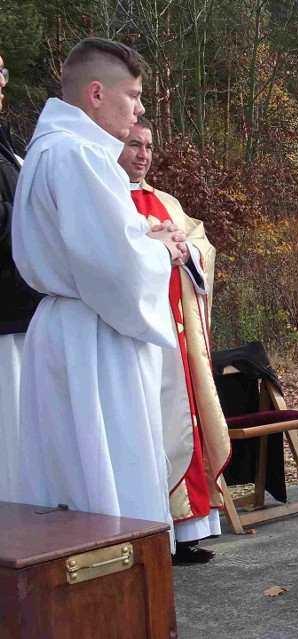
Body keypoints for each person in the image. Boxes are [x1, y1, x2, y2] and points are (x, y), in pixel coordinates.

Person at [12, 38, 186, 528]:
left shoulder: (47, 149)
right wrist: (164, 249)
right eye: (132, 95)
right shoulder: (81, 155)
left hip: (66, 326)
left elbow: (96, 247)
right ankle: (116, 586)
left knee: (72, 472)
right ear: (95, 93)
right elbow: (120, 270)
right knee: (108, 477)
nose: (140, 107)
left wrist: (140, 237)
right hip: (96, 337)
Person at [118, 116, 230, 564]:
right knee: (154, 428)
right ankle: (154, 531)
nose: (143, 154)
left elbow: (203, 245)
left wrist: (188, 250)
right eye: (133, 145)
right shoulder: (108, 199)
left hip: (179, 338)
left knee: (185, 426)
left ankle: (188, 531)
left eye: (147, 146)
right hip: (143, 337)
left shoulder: (166, 199)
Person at [0, 53, 44, 502]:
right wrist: (43, 216)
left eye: (1, 70)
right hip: (4, 321)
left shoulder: (8, 146)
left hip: (22, 313)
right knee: (9, 449)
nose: (0, 81)